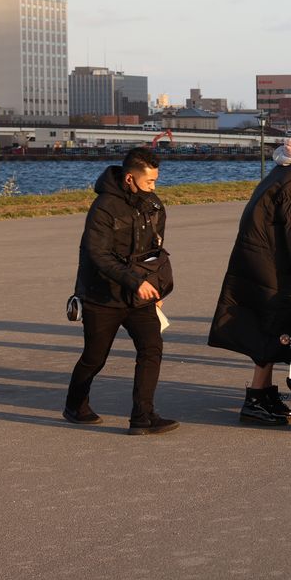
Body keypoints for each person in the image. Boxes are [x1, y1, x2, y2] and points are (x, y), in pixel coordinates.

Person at [208, 113, 291, 425]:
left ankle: (261, 394)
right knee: (277, 329)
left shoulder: (284, 170)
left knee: (267, 330)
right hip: (272, 266)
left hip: (256, 257)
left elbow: (284, 225)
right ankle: (259, 400)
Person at [64, 147, 178, 435]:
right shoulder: (103, 207)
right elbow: (98, 255)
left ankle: (143, 416)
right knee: (94, 357)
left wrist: (157, 290)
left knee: (151, 348)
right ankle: (75, 405)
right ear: (130, 178)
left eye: (155, 181)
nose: (154, 187)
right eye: (149, 182)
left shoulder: (153, 205)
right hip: (102, 296)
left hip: (139, 296)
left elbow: (155, 252)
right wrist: (135, 281)